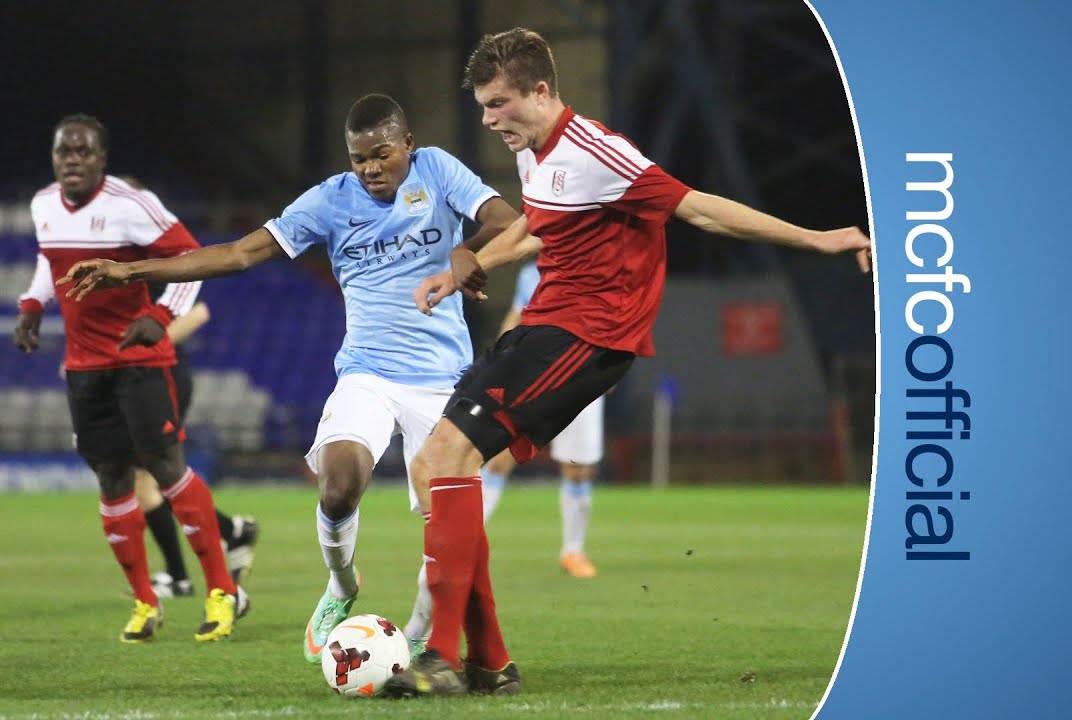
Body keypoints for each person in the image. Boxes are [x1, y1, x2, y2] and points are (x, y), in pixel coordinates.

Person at [384, 27, 872, 698]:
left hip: (589, 335)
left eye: (499, 104)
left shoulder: (598, 153)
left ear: (541, 91)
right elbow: (532, 226)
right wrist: (462, 267)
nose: (490, 120)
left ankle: (441, 655)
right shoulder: (534, 154)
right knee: (434, 466)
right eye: (483, 107)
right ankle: (488, 662)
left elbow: (701, 210)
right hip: (545, 325)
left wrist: (817, 239)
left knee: (446, 459)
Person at [55, 94, 520, 663]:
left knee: (446, 524)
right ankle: (341, 586)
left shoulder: (438, 170)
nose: (370, 168)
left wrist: (465, 252)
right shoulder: (331, 199)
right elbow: (238, 254)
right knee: (338, 483)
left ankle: (421, 631)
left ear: (408, 145)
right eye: (359, 158)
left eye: (382, 155)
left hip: (442, 378)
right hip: (368, 372)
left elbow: (505, 219)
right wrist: (132, 271)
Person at [13, 114, 244, 644]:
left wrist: (161, 315)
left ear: (102, 158)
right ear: (53, 157)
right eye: (64, 151)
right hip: (84, 368)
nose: (72, 160)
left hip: (140, 362)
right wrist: (32, 305)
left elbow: (191, 257)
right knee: (112, 479)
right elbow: (50, 262)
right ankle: (145, 603)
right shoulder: (43, 204)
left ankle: (221, 590)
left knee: (166, 469)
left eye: (83, 152)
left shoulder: (132, 204)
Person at [479, 260, 604, 578]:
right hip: (532, 377)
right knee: (498, 458)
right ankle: (468, 543)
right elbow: (516, 318)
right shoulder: (532, 274)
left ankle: (573, 551)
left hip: (581, 377)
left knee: (578, 469)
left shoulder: (598, 268)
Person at [133, 291, 260, 599]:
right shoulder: (132, 272)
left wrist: (135, 351)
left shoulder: (153, 270)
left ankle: (180, 576)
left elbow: (199, 312)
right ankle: (231, 532)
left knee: (148, 481)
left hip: (160, 380)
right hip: (138, 381)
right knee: (154, 480)